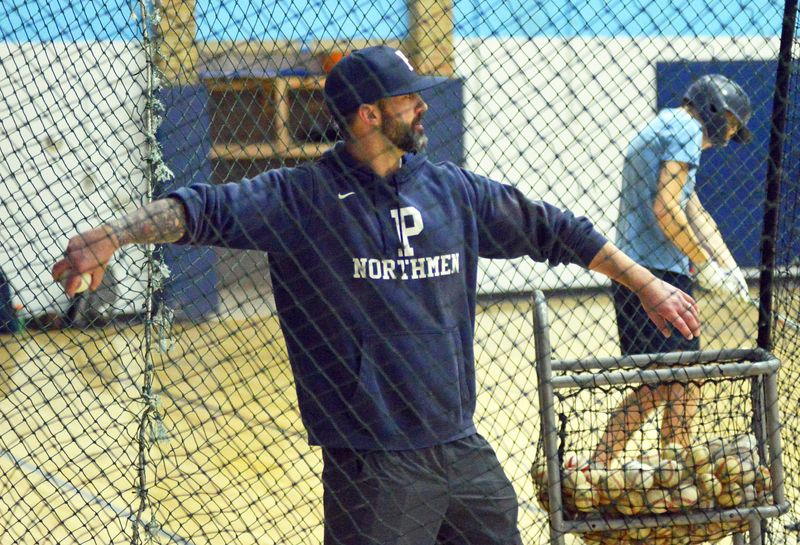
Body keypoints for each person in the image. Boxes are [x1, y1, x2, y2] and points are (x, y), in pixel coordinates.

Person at [54, 45, 700, 545]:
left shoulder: (452, 190)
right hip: (375, 462)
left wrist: (645, 282)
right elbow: (201, 209)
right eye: (408, 100)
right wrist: (113, 235)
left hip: (461, 446)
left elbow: (551, 228)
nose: (423, 107)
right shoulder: (302, 198)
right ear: (368, 115)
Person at [593, 74, 753, 464]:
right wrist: (704, 265)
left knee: (681, 377)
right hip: (654, 273)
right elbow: (666, 209)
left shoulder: (666, 125)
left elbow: (695, 212)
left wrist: (729, 268)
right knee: (664, 382)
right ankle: (604, 462)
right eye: (732, 125)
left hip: (649, 271)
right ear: (715, 110)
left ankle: (672, 460)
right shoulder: (684, 129)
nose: (730, 137)